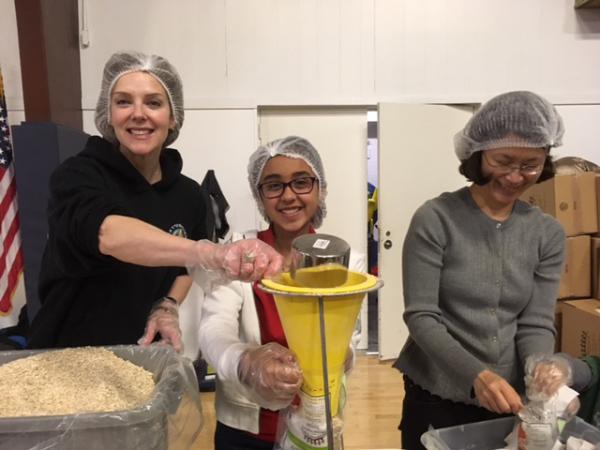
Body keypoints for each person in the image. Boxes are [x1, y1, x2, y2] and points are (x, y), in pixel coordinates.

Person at [27, 51, 282, 351]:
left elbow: (184, 266)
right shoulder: (77, 176)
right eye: (123, 101)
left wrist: (168, 304)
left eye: (153, 102)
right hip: (66, 356)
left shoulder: (188, 196)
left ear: (173, 117)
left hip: (141, 355)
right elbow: (108, 234)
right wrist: (212, 253)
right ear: (108, 114)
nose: (138, 113)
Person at [394, 91, 567, 449]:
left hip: (508, 394)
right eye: (503, 161)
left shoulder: (547, 233)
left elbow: (536, 321)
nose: (515, 177)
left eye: (531, 164)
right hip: (437, 390)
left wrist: (539, 370)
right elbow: (422, 316)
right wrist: (476, 375)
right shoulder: (436, 219)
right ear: (478, 155)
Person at [198, 136, 365, 449]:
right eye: (274, 185)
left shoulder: (347, 261)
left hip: (316, 425)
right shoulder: (239, 254)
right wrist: (247, 363)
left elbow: (351, 341)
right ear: (259, 195)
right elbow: (212, 330)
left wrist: (340, 356)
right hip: (245, 432)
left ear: (320, 188)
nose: (289, 196)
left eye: (301, 182)